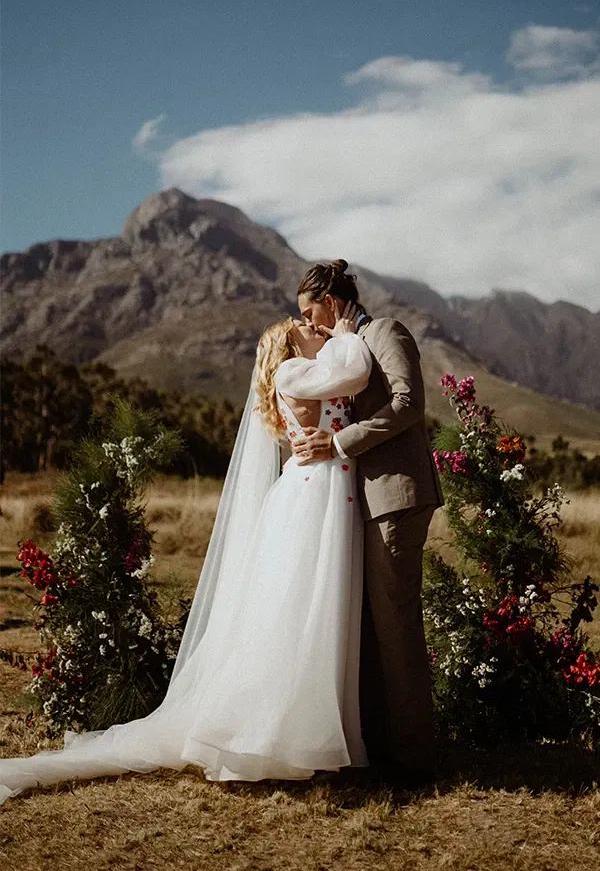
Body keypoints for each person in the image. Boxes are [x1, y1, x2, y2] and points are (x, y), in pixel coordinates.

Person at [0, 309, 373, 803]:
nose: (314, 327)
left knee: (320, 604)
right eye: (303, 326)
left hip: (329, 492)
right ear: (285, 345)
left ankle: (310, 733)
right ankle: (272, 736)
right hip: (310, 495)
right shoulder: (292, 371)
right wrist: (346, 335)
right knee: (299, 605)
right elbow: (355, 372)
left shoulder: (314, 366)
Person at [294, 260, 444, 784]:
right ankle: (376, 745)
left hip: (394, 495)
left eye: (309, 312)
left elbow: (408, 403)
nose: (307, 323)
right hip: (359, 501)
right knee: (368, 624)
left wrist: (338, 442)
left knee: (395, 622)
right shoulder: (343, 347)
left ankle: (414, 759)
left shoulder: (385, 332)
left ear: (331, 301)